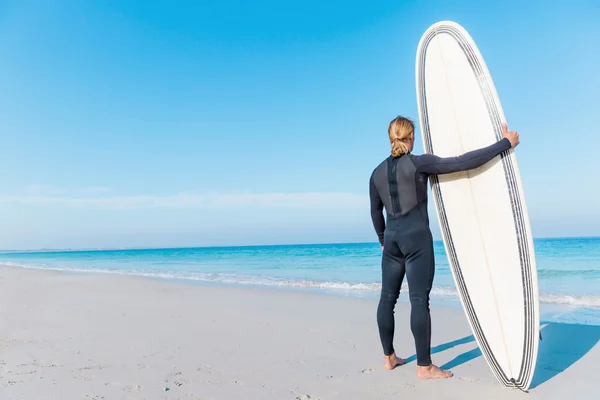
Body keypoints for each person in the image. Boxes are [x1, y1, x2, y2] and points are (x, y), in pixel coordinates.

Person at [369, 116, 520, 379]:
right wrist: (504, 144)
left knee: (387, 299)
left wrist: (384, 241)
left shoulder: (376, 174)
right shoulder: (419, 163)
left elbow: (375, 212)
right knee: (418, 300)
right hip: (417, 241)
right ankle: (424, 367)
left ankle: (389, 358)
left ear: (390, 138)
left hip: (392, 243)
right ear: (411, 137)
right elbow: (463, 162)